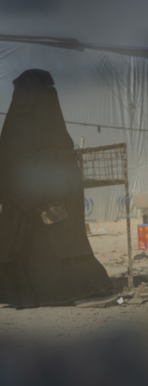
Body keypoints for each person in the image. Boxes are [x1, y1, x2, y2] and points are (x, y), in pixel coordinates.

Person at [0, 69, 114, 308]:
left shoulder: (28, 123)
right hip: (26, 197)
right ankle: (75, 289)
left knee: (54, 240)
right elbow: (14, 167)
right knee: (34, 242)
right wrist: (56, 161)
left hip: (43, 194)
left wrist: (58, 162)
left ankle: (65, 290)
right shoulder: (18, 129)